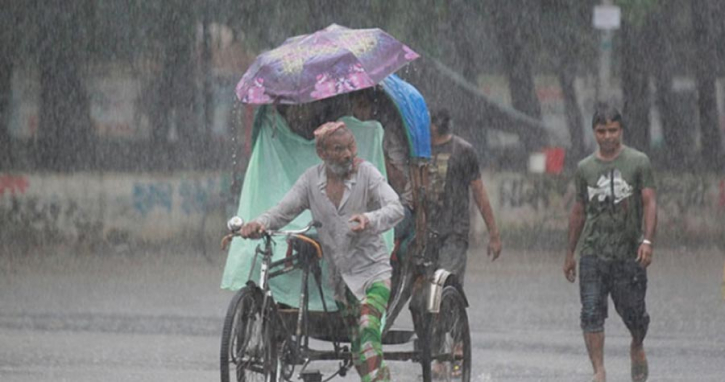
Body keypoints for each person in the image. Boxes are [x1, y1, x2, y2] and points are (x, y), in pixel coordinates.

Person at [240, 121, 404, 382]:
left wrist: (370, 219)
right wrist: (259, 223)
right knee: (361, 354)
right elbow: (282, 212)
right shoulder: (310, 182)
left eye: (350, 146)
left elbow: (396, 208)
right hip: (342, 282)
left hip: (374, 272)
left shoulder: (367, 174)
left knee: (368, 328)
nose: (348, 154)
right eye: (338, 149)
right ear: (322, 154)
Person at [563, 102, 657, 382]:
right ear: (594, 132)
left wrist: (648, 241)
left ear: (621, 130)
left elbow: (650, 201)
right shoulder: (585, 168)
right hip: (593, 251)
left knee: (635, 314)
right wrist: (570, 253)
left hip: (629, 252)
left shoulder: (638, 162)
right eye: (602, 131)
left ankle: (637, 344)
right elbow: (579, 210)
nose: (607, 136)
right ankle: (599, 370)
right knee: (591, 311)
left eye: (613, 130)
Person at [427, 109, 502, 284]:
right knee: (423, 295)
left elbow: (479, 193)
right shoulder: (421, 149)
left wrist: (494, 234)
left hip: (454, 232)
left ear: (434, 126)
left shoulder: (463, 151)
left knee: (444, 284)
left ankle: (450, 310)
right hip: (427, 232)